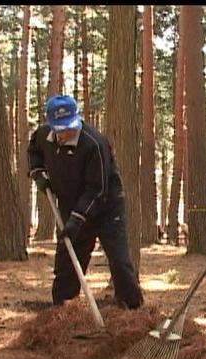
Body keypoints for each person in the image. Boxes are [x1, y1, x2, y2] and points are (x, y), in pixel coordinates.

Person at [27, 95, 144, 310]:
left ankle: (134, 313)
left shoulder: (94, 144)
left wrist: (76, 220)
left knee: (119, 262)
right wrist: (38, 173)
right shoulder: (43, 136)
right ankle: (63, 311)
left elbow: (97, 190)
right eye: (60, 128)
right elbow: (34, 151)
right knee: (67, 262)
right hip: (71, 205)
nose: (66, 132)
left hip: (107, 208)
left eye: (69, 126)